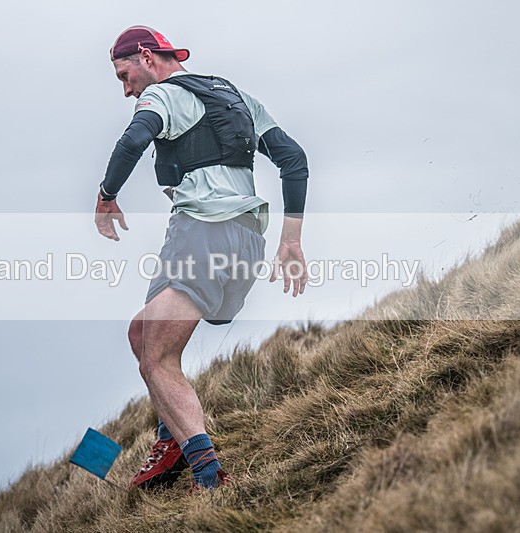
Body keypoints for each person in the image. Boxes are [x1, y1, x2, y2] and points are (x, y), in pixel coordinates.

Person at [94, 25, 310, 491]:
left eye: (123, 74)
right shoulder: (237, 97)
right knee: (141, 331)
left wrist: (107, 194)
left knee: (156, 359)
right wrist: (291, 240)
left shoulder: (164, 97)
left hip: (201, 233)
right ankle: (171, 439)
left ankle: (208, 476)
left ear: (147, 58)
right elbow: (294, 159)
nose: (126, 88)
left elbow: (132, 142)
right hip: (248, 240)